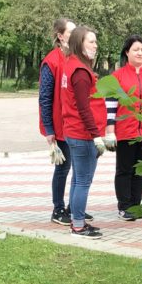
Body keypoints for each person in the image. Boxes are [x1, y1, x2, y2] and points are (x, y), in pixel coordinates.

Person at [60, 25, 109, 238]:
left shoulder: (72, 65)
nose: (95, 45)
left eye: (95, 41)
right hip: (83, 134)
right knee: (83, 180)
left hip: (75, 131)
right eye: (91, 41)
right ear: (80, 44)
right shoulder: (80, 71)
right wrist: (96, 135)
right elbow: (83, 107)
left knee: (78, 178)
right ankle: (78, 225)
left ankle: (75, 217)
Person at [105, 34, 142, 221]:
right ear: (127, 52)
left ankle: (136, 205)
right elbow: (111, 105)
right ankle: (124, 206)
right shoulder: (117, 76)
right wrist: (110, 130)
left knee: (141, 169)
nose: (140, 53)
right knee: (124, 169)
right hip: (125, 130)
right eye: (136, 49)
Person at [39, 18, 80, 226]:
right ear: (60, 35)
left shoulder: (74, 59)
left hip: (74, 124)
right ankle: (58, 209)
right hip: (59, 126)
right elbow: (45, 97)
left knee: (77, 167)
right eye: (71, 32)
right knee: (63, 168)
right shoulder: (51, 61)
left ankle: (75, 208)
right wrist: (48, 128)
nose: (75, 35)